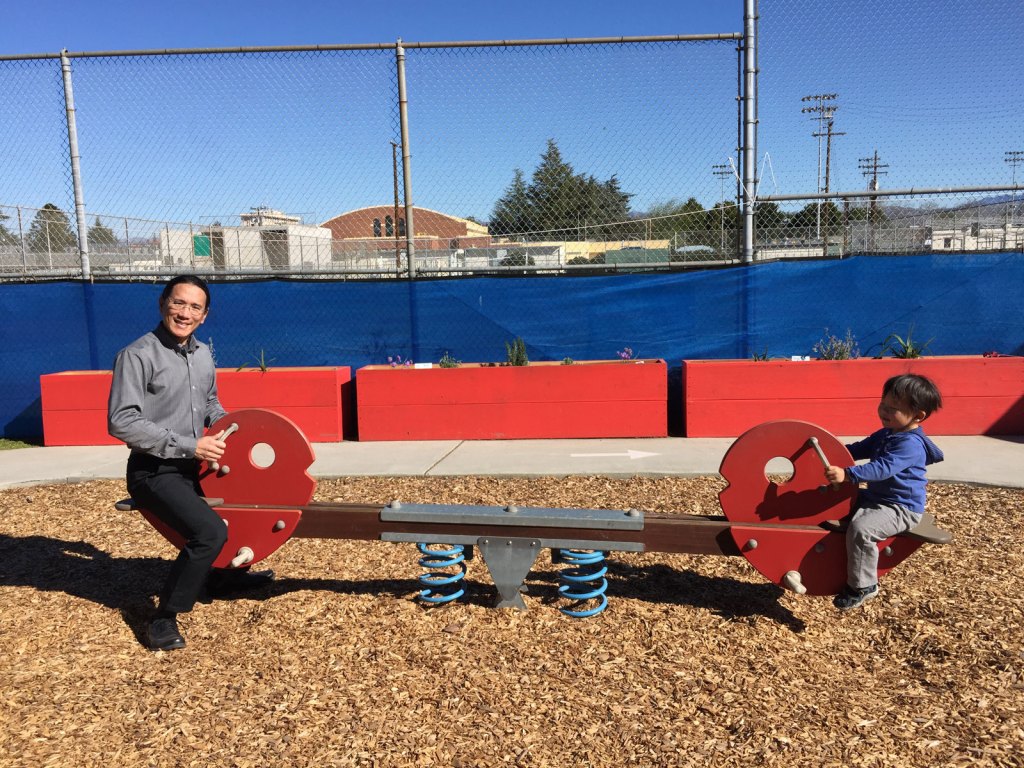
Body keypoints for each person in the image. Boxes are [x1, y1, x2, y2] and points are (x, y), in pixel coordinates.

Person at [108, 274, 273, 651]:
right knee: (210, 532)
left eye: (194, 307)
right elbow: (122, 421)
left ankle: (219, 578)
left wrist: (232, 427)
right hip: (154, 470)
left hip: (193, 463)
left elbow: (211, 404)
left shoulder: (201, 354)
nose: (185, 312)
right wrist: (189, 445)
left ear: (204, 315)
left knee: (244, 505)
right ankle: (163, 617)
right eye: (178, 303)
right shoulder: (137, 355)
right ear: (163, 304)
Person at [824, 373, 944, 611]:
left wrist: (848, 474)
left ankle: (863, 585)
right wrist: (833, 451)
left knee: (862, 530)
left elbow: (883, 468)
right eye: (883, 405)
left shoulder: (911, 444)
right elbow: (859, 448)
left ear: (918, 416)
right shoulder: (888, 433)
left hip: (900, 507)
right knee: (834, 497)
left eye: (893, 409)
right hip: (877, 499)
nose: (884, 412)